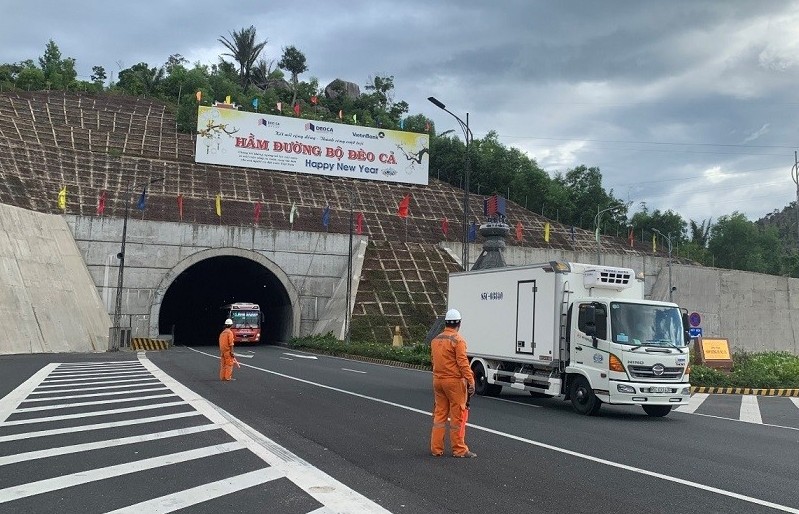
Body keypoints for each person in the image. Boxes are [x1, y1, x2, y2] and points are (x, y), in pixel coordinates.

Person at [430, 308, 476, 458]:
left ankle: (436, 449)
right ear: (459, 323)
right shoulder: (458, 340)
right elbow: (463, 363)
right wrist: (470, 381)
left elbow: (433, 361)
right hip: (454, 383)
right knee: (457, 417)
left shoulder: (435, 340)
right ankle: (459, 449)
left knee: (440, 415)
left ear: (446, 323)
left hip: (438, 381)